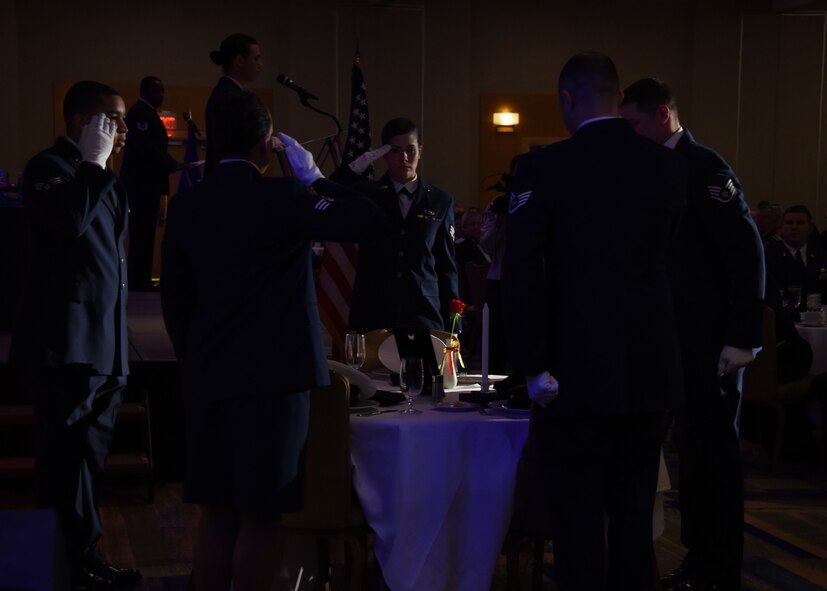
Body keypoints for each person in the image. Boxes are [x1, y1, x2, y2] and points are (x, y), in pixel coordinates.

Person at [160, 90, 386, 591]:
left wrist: (194, 358)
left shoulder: (187, 205)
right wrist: (316, 178)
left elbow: (174, 300)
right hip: (275, 381)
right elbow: (368, 220)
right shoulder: (285, 197)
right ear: (267, 143)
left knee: (218, 515)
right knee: (262, 519)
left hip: (209, 375)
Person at [502, 53, 686, 591]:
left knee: (577, 526)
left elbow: (523, 274)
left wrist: (532, 365)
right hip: (651, 368)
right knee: (633, 524)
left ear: (567, 99)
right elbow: (672, 261)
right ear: (616, 95)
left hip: (572, 373)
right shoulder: (668, 164)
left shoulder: (543, 167)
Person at [620, 77, 766, 591]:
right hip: (677, 340)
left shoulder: (704, 167)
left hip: (712, 344)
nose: (630, 132)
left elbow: (746, 254)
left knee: (714, 459)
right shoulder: (655, 167)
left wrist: (743, 338)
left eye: (635, 122)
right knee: (693, 456)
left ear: (662, 114)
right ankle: (700, 561)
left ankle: (718, 569)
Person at [9, 81, 141, 589]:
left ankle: (85, 559)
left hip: (105, 345)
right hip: (65, 345)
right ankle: (60, 565)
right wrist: (90, 164)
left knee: (88, 462)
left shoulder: (102, 174)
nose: (123, 130)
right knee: (63, 462)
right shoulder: (49, 168)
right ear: (83, 122)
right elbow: (68, 222)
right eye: (113, 119)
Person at [330, 117, 458, 333]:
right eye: (395, 151)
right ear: (384, 155)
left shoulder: (439, 200)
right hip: (376, 309)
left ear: (420, 151)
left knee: (422, 367)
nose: (405, 158)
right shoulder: (368, 194)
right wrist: (353, 168)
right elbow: (330, 192)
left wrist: (455, 321)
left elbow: (445, 265)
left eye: (411, 150)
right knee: (370, 367)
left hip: (422, 311)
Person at [119, 76, 191, 291]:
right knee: (141, 233)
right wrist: (172, 164)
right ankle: (138, 279)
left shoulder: (149, 114)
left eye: (162, 91)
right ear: (144, 91)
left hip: (148, 185)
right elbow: (146, 149)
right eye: (156, 91)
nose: (161, 95)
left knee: (147, 233)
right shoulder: (139, 114)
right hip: (141, 185)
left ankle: (142, 278)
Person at [204, 33, 263, 176]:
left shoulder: (228, 92)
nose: (260, 64)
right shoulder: (229, 96)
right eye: (256, 58)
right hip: (227, 178)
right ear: (239, 61)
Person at [764, 205, 827, 312]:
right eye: (789, 223)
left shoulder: (821, 254)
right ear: (782, 227)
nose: (794, 227)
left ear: (810, 228)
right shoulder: (769, 255)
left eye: (800, 223)